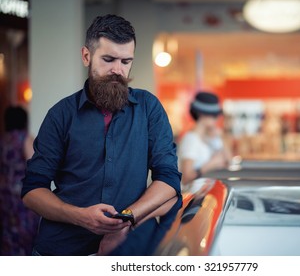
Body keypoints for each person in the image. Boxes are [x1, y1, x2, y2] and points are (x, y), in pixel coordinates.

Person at [21, 14, 182, 256]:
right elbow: (32, 191)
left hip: (126, 248)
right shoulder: (61, 115)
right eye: (108, 59)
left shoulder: (149, 108)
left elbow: (169, 179)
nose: (118, 70)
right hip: (61, 251)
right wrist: (80, 217)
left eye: (126, 61)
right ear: (86, 55)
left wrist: (125, 220)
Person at [0, 106, 39, 255]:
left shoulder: (3, 139)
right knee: (26, 233)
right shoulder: (25, 138)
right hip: (20, 194)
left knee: (8, 233)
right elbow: (34, 164)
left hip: (3, 193)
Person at [178, 92, 231, 185]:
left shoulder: (205, 138)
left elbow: (228, 161)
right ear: (202, 115)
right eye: (214, 116)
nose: (217, 119)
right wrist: (211, 164)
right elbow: (185, 177)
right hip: (192, 196)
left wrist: (221, 136)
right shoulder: (191, 140)